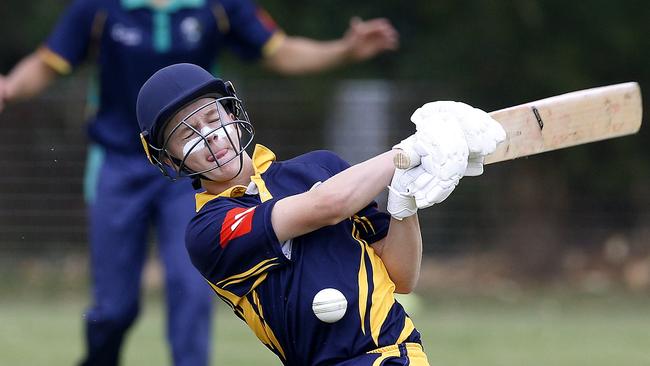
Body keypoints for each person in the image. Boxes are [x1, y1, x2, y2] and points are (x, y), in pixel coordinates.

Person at [0, 1, 398, 365]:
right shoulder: (98, 7)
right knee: (114, 308)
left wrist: (343, 50)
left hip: (199, 171)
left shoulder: (219, 6)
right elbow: (47, 62)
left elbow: (279, 50)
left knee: (189, 291)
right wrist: (8, 89)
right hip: (119, 164)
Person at [135, 63, 505, 365]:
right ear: (169, 159)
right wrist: (407, 152)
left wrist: (405, 200)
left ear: (232, 114)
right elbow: (326, 206)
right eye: (187, 135)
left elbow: (403, 277)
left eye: (212, 118)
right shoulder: (208, 231)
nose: (209, 137)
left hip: (398, 353)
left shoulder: (322, 168)